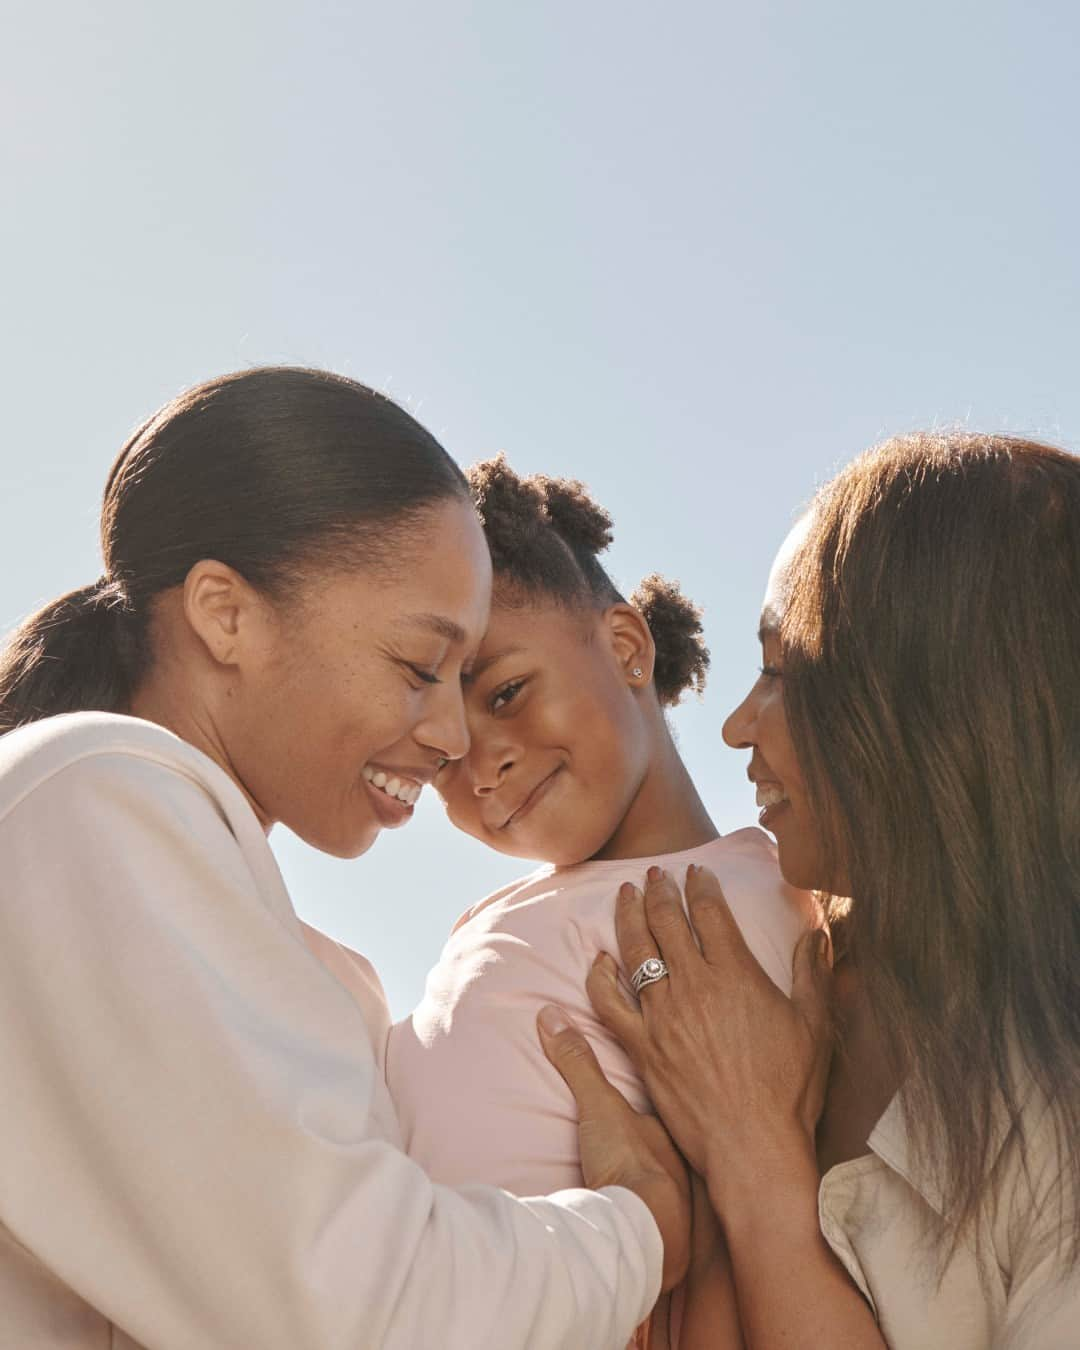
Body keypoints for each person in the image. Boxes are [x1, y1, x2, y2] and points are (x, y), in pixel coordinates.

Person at [0, 367, 691, 1350]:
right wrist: (643, 1225)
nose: (452, 736)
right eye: (420, 669)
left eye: (469, 679)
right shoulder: (93, 791)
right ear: (225, 613)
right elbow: (361, 1307)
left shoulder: (247, 925)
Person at [546, 432, 1080, 1348]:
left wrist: (754, 1162)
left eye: (782, 672)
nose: (737, 726)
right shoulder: (751, 973)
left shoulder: (1054, 1129)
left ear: (940, 701)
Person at [387, 455, 815, 1346]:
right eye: (441, 754)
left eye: (506, 694)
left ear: (625, 647)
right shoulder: (506, 915)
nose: (481, 765)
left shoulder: (766, 904)